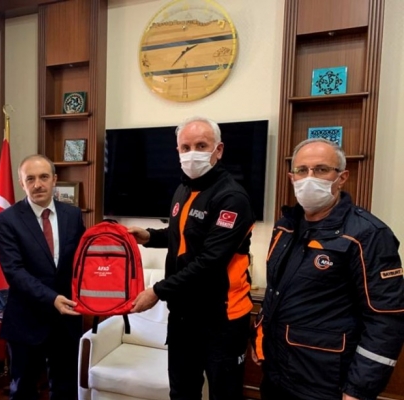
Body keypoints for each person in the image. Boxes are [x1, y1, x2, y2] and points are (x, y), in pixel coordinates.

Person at [252, 138, 404, 400]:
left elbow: (386, 320)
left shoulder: (368, 234)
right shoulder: (285, 227)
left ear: (342, 177)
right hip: (277, 373)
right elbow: (276, 293)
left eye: (321, 169)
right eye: (302, 170)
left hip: (326, 382)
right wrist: (260, 336)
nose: (309, 177)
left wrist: (358, 390)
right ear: (291, 177)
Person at [128, 116, 255, 400]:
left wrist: (157, 291)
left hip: (221, 318)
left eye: (201, 146)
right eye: (185, 147)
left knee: (225, 395)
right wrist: (148, 236)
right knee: (182, 392)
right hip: (184, 316)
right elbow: (183, 235)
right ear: (177, 151)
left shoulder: (232, 198)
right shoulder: (183, 188)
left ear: (218, 150)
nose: (192, 153)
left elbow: (210, 261)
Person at [0, 154, 85, 400]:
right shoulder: (7, 219)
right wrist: (52, 298)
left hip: (66, 321)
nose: (38, 184)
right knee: (23, 390)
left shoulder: (72, 215)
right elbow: (14, 271)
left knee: (66, 389)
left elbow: (82, 261)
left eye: (44, 177)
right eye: (30, 179)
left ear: (54, 179)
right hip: (26, 319)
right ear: (21, 183)